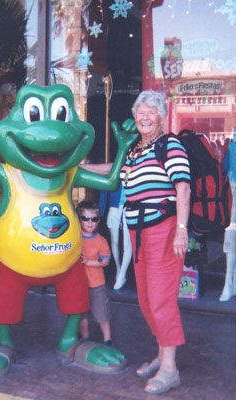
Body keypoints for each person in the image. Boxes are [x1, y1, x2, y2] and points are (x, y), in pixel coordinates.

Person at [81, 89, 191, 395]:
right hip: (138, 232)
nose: (144, 117)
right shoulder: (135, 151)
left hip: (165, 230)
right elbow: (115, 175)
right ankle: (161, 354)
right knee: (145, 300)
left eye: (151, 112)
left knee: (160, 300)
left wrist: (182, 228)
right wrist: (76, 169)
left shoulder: (170, 145)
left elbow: (182, 188)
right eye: (140, 112)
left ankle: (170, 369)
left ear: (161, 117)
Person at [76, 200, 113, 345]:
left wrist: (89, 262)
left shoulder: (101, 241)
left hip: (97, 285)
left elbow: (105, 261)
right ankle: (85, 338)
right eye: (85, 218)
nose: (90, 222)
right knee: (82, 314)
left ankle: (108, 340)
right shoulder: (75, 238)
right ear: (79, 220)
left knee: (102, 314)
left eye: (94, 219)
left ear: (98, 221)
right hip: (79, 284)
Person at [99, 185, 132, 290]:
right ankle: (118, 268)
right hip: (114, 206)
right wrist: (100, 211)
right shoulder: (114, 168)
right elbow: (105, 187)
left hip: (131, 206)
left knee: (127, 243)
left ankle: (122, 273)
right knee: (114, 240)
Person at [220, 131, 236, 301]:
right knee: (231, 235)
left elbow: (224, 168)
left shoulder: (232, 145)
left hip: (233, 186)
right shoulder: (232, 145)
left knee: (232, 235)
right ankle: (228, 282)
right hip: (233, 188)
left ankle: (229, 283)